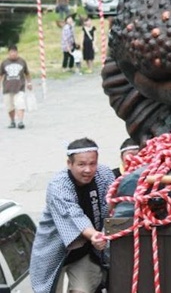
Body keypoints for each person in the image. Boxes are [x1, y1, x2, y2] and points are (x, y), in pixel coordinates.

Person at [30, 138, 115, 293]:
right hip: (54, 245)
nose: (88, 169)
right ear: (69, 164)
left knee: (84, 289)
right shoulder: (58, 185)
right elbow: (73, 215)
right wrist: (95, 235)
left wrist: (102, 234)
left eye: (92, 163)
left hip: (86, 248)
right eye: (81, 164)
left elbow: (112, 205)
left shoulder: (104, 175)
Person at [0, 44, 32, 129]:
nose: (13, 54)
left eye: (15, 52)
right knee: (10, 107)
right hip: (7, 88)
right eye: (11, 52)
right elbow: (1, 74)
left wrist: (29, 83)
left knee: (20, 104)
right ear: (8, 53)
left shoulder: (22, 61)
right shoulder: (4, 63)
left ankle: (20, 122)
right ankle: (12, 121)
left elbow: (27, 73)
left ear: (17, 52)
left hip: (19, 87)